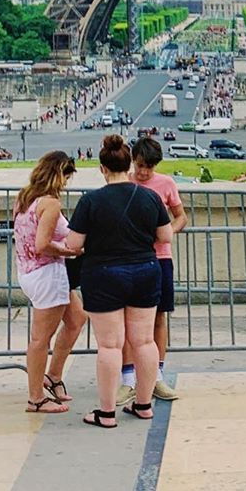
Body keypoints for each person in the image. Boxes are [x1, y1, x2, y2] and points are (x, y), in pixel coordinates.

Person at [63, 134, 172, 428]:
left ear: (102, 168)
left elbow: (74, 244)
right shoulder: (149, 197)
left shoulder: (91, 201)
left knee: (110, 346)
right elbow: (166, 235)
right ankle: (144, 404)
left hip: (104, 273)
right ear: (129, 165)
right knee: (145, 341)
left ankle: (107, 411)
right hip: (145, 270)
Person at [12, 151, 87, 414]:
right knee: (41, 339)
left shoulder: (25, 198)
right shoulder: (51, 204)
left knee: (77, 318)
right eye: (67, 177)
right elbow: (43, 244)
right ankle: (35, 398)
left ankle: (52, 376)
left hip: (30, 272)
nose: (67, 183)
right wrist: (70, 252)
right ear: (60, 175)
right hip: (49, 273)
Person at [117, 135, 187, 404]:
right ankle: (129, 379)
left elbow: (181, 215)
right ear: (133, 161)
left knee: (159, 317)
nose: (144, 172)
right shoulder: (125, 181)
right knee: (127, 321)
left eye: (150, 167)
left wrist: (169, 231)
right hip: (131, 257)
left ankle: (156, 375)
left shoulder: (166, 184)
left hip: (159, 257)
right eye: (141, 166)